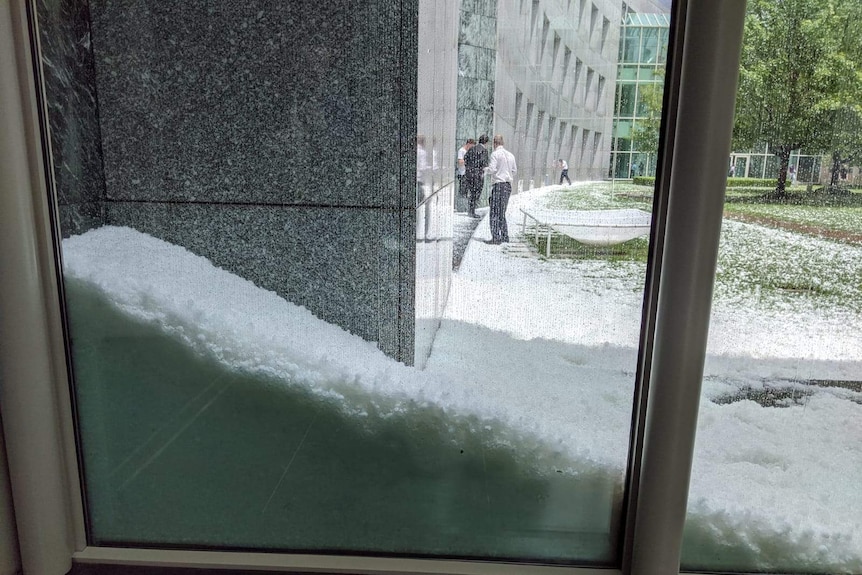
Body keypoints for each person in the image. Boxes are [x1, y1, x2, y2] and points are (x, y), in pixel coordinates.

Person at [484, 134, 517, 244]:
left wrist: (486, 170)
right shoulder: (511, 155)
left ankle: (496, 238)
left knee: (494, 212)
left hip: (498, 185)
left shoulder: (495, 154)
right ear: (503, 143)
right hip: (507, 186)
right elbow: (514, 171)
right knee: (502, 212)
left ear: (494, 143)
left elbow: (492, 169)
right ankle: (504, 236)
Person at [463, 135, 489, 217]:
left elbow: (465, 158)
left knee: (471, 192)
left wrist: (469, 168)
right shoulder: (484, 150)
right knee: (476, 193)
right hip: (477, 175)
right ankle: (472, 211)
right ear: (486, 142)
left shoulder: (472, 148)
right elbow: (484, 163)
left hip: (469, 173)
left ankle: (470, 210)